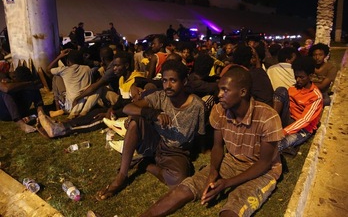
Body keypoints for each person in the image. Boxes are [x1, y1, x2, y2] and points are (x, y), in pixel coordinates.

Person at [140, 66, 283, 217]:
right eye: (219, 89)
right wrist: (213, 173)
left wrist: (227, 183)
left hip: (262, 171)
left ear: (242, 92)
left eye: (225, 90)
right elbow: (217, 147)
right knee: (186, 188)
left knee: (231, 210)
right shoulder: (219, 111)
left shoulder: (267, 117)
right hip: (231, 162)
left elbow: (264, 163)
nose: (219, 95)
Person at [95, 60, 206, 200]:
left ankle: (145, 164)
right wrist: (153, 114)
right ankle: (121, 176)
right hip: (156, 140)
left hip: (176, 151)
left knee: (179, 180)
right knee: (136, 122)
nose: (168, 85)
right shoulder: (160, 96)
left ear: (184, 82)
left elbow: (201, 133)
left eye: (173, 80)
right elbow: (127, 108)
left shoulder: (197, 106)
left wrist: (202, 150)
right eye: (165, 80)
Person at [274, 57, 323, 151]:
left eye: (302, 77)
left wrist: (283, 132)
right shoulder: (293, 88)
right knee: (281, 90)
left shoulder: (315, 96)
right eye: (296, 76)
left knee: (278, 145)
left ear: (311, 76)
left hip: (303, 128)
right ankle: (270, 123)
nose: (298, 80)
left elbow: (305, 120)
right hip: (289, 120)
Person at [45, 49, 98, 119]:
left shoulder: (64, 70)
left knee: (56, 77)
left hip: (70, 106)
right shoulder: (87, 69)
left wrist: (59, 56)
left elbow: (48, 70)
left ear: (68, 61)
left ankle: (58, 106)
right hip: (85, 103)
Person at [0, 66, 43, 133]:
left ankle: (41, 114)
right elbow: (6, 89)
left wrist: (31, 84)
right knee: (6, 92)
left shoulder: (9, 75)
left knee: (33, 87)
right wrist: (29, 83)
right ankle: (21, 124)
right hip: (5, 113)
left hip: (22, 110)